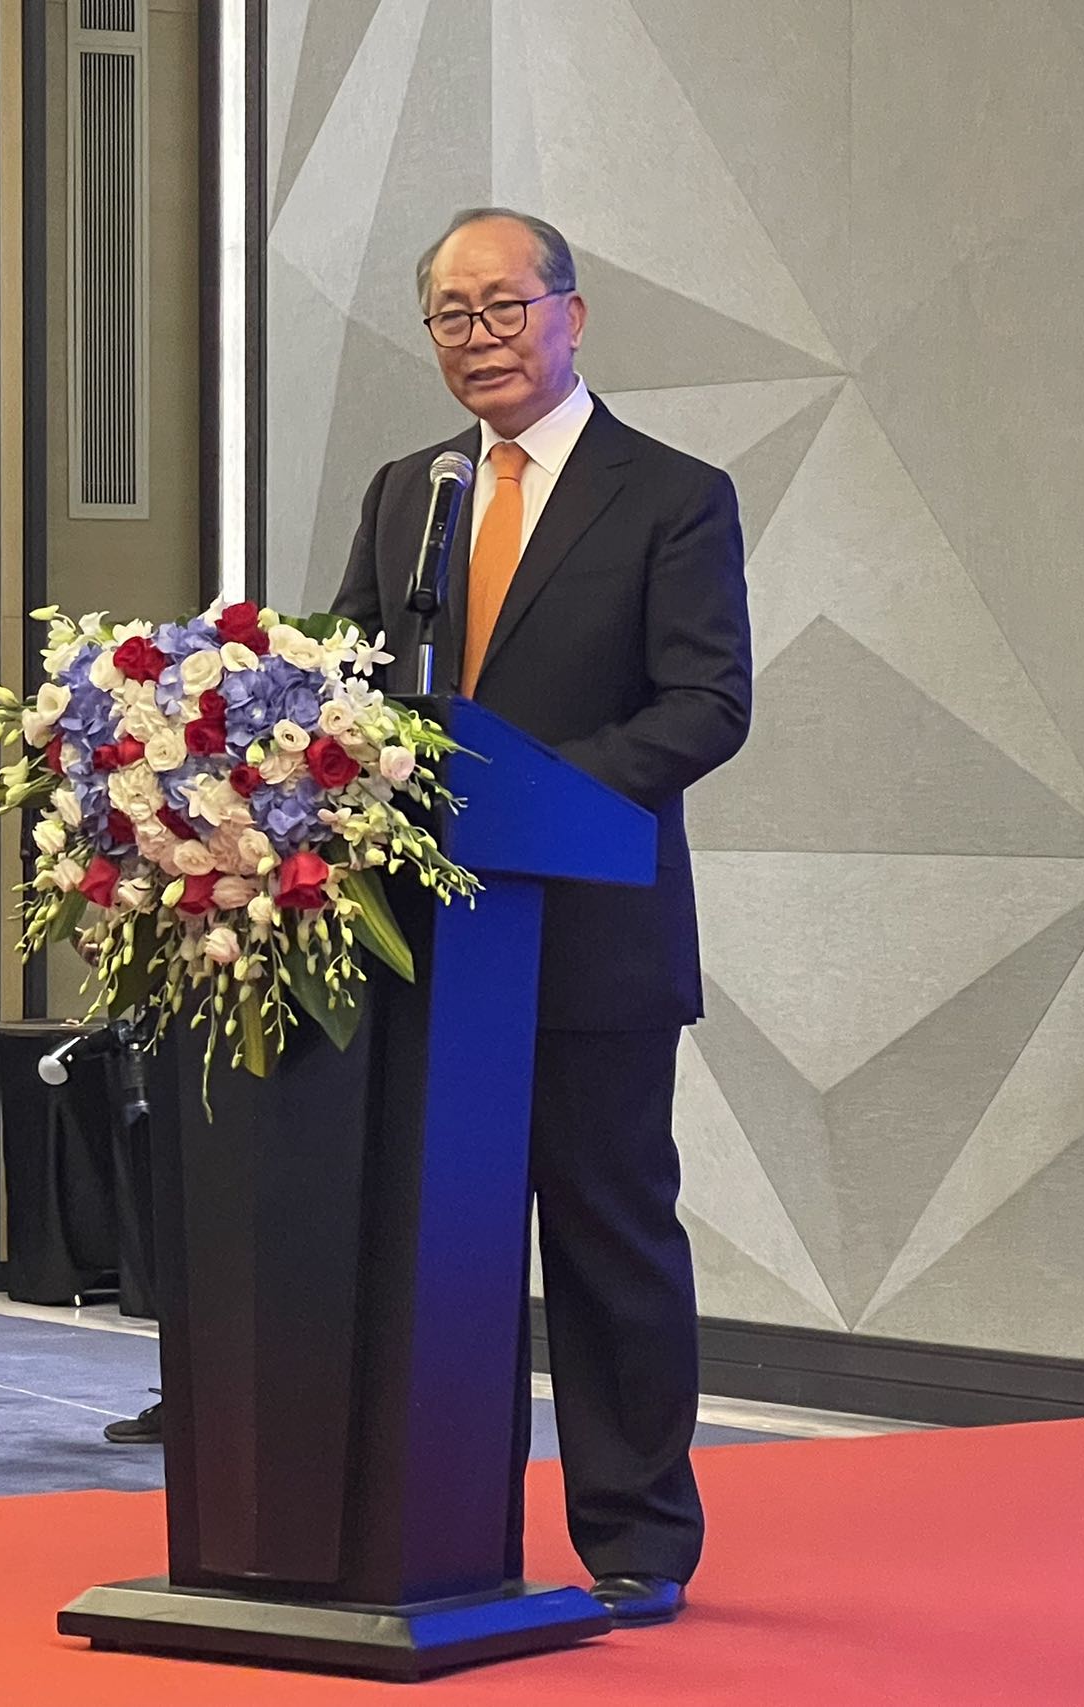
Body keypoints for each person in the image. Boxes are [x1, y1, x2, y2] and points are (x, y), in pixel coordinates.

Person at [333, 209, 752, 1627]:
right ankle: (445, 1531)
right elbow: (352, 681)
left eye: (504, 308)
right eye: (452, 315)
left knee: (608, 1242)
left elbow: (705, 704)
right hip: (431, 954)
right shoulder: (410, 491)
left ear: (574, 314)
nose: (479, 340)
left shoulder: (671, 494)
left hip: (590, 943)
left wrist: (524, 803)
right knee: (438, 1255)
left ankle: (639, 1538)